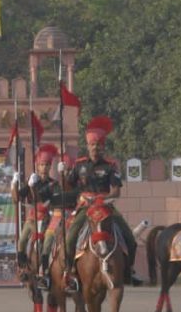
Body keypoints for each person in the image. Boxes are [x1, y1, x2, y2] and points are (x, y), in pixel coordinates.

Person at [62, 116, 145, 290]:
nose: (95, 148)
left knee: (130, 238)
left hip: (105, 207)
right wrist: (63, 173)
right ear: (88, 146)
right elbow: (68, 187)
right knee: (70, 238)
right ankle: (70, 272)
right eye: (92, 145)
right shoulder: (79, 165)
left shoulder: (110, 166)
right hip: (85, 208)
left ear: (103, 147)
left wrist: (103, 199)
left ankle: (129, 271)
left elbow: (116, 191)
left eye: (98, 145)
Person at [11, 143, 67, 291]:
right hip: (32, 219)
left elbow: (39, 199)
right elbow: (16, 199)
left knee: (45, 242)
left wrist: (32, 187)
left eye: (47, 165)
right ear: (37, 165)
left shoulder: (53, 184)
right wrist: (14, 183)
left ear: (50, 167)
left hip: (46, 219)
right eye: (42, 165)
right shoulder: (32, 179)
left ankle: (44, 272)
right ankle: (22, 267)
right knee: (22, 241)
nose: (44, 168)